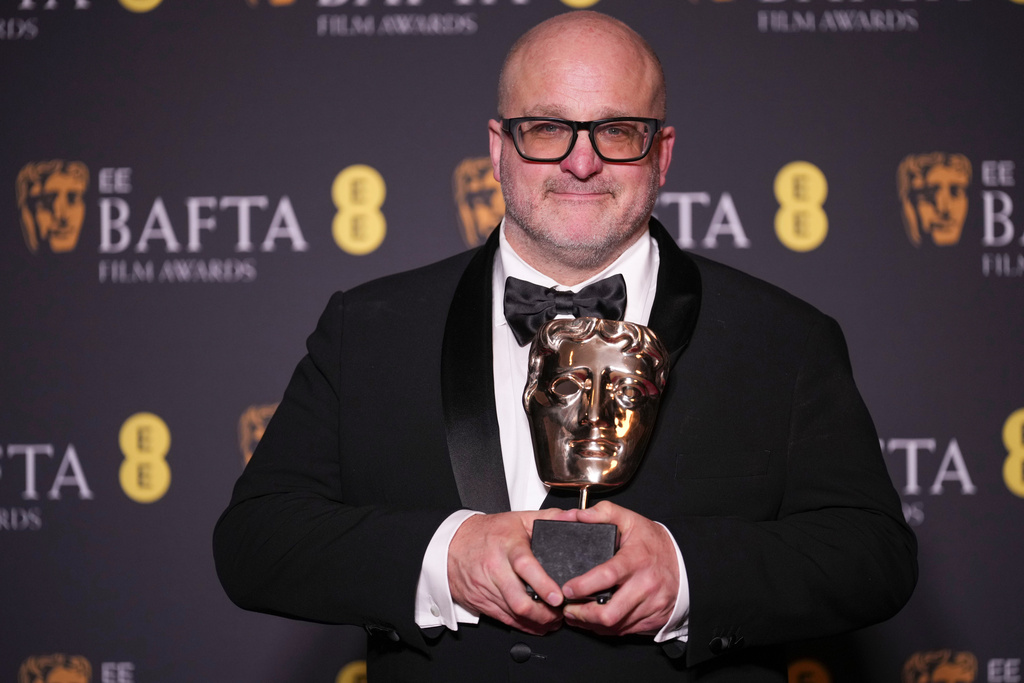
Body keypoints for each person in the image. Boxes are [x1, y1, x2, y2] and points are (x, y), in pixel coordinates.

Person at [214, 11, 917, 681]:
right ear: (498, 148)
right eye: (547, 127)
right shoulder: (368, 326)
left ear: (661, 153)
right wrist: (446, 555)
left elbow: (873, 555)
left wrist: (687, 572)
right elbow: (256, 541)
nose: (582, 162)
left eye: (617, 130)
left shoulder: (784, 338)